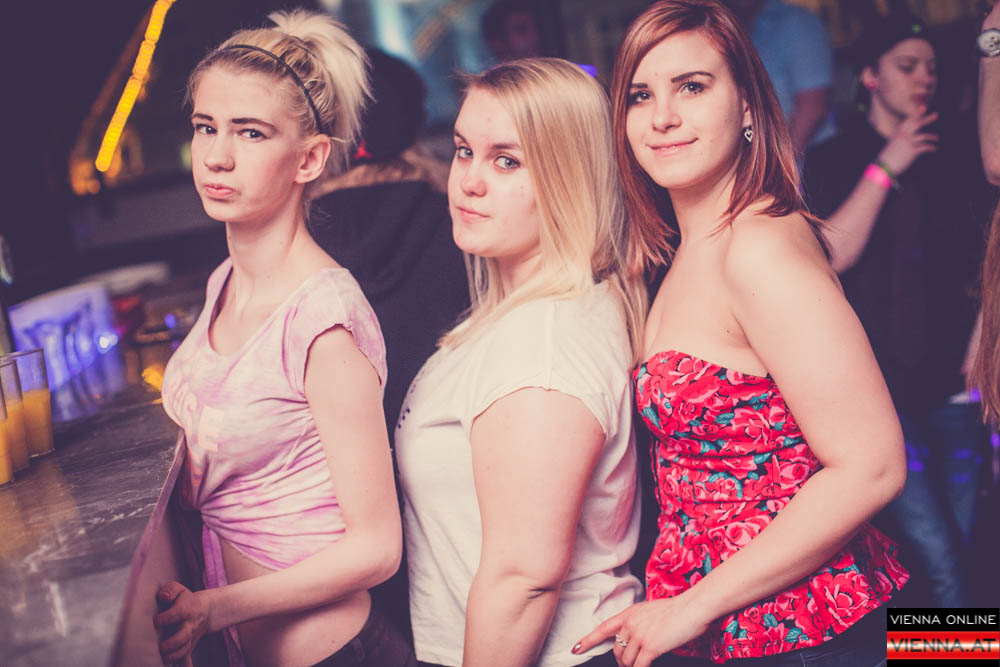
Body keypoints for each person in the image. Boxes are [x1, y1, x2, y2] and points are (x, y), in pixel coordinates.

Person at [574, 2, 908, 665]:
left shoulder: (758, 248)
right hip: (740, 626)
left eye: (692, 87)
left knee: (968, 636)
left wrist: (689, 607)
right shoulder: (692, 246)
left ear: (749, 104)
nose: (662, 116)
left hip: (807, 633)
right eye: (640, 95)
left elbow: (873, 465)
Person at [155, 11, 414, 666]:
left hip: (338, 654)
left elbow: (378, 548)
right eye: (206, 127)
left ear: (309, 158)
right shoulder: (223, 282)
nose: (217, 155)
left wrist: (213, 608)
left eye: (251, 132)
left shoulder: (322, 321)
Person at [395, 58, 647, 667]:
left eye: (506, 161)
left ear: (568, 177)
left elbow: (524, 580)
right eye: (463, 151)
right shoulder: (521, 315)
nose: (469, 181)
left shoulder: (544, 340)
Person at [803, 12, 990, 609]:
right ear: (870, 77)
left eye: (931, 68)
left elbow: (985, 259)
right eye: (908, 67)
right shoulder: (834, 158)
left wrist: (984, 335)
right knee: (933, 554)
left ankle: (938, 647)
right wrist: (888, 165)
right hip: (879, 393)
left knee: (964, 546)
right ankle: (953, 650)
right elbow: (832, 256)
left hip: (955, 386)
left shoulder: (961, 155)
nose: (923, 78)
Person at [724, 0, 834, 154]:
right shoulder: (721, 27)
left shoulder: (797, 24)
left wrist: (779, 162)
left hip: (807, 159)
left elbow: (813, 106)